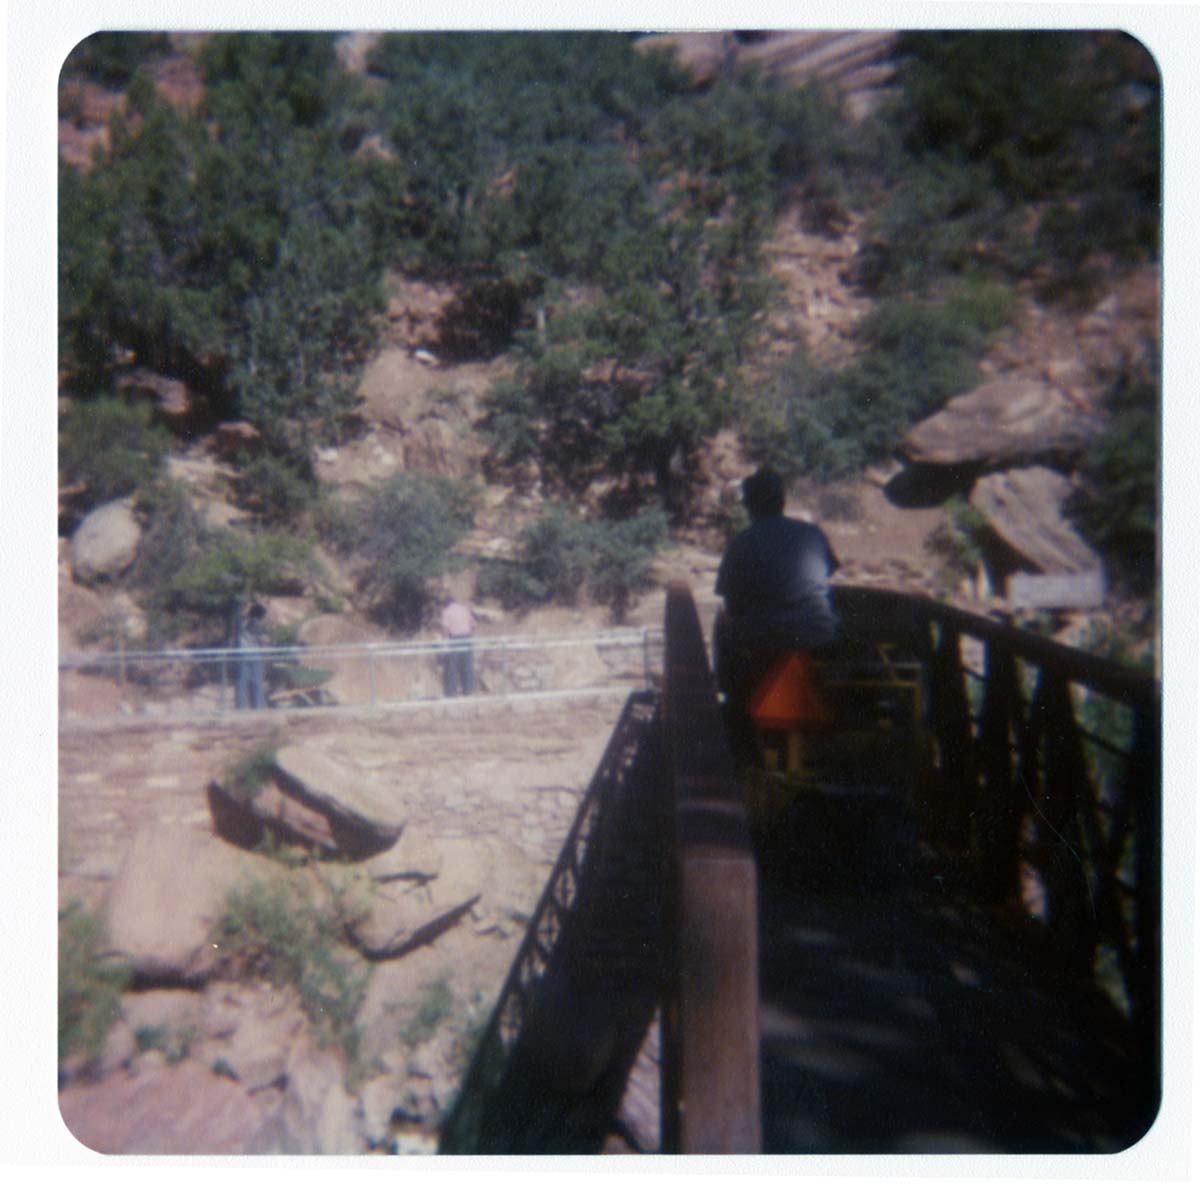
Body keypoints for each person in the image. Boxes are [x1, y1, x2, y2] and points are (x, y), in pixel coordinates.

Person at [714, 467, 840, 760]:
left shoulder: (741, 544)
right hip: (819, 639)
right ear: (782, 501)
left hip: (765, 646)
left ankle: (740, 734)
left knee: (726, 635)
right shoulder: (811, 533)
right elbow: (829, 572)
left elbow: (732, 604)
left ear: (749, 505)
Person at [440, 598, 478, 697]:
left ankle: (451, 692)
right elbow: (473, 625)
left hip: (454, 639)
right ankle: (468, 691)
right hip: (466, 638)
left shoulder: (447, 611)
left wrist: (444, 642)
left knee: (452, 667)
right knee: (467, 665)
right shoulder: (465, 609)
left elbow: (445, 628)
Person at [235, 601, 268, 710]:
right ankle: (257, 707)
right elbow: (263, 640)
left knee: (242, 683)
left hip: (242, 654)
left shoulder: (242, 622)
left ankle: (240, 708)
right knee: (257, 683)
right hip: (254, 655)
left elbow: (241, 614)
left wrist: (248, 608)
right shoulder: (256, 624)